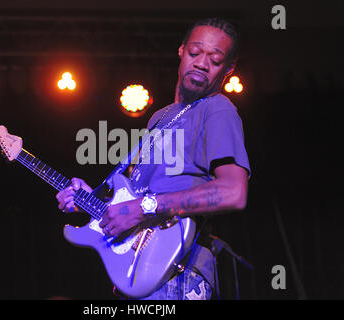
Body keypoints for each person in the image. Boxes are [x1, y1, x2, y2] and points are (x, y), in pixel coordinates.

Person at [56, 18, 250, 300]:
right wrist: (92, 198)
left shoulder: (217, 110)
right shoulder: (160, 118)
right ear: (181, 51)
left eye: (216, 59)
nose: (202, 64)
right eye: (195, 53)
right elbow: (136, 196)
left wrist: (145, 206)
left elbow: (235, 192)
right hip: (141, 271)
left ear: (229, 68)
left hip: (177, 273)